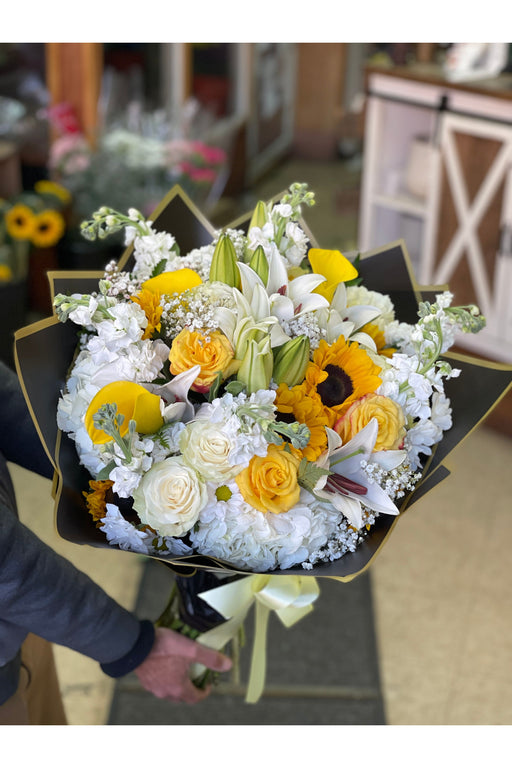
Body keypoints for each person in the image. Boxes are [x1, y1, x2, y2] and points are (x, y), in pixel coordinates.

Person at [0, 359, 231, 724]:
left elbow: (4, 402)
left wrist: (120, 479)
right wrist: (136, 647)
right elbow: (8, 567)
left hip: (23, 622)